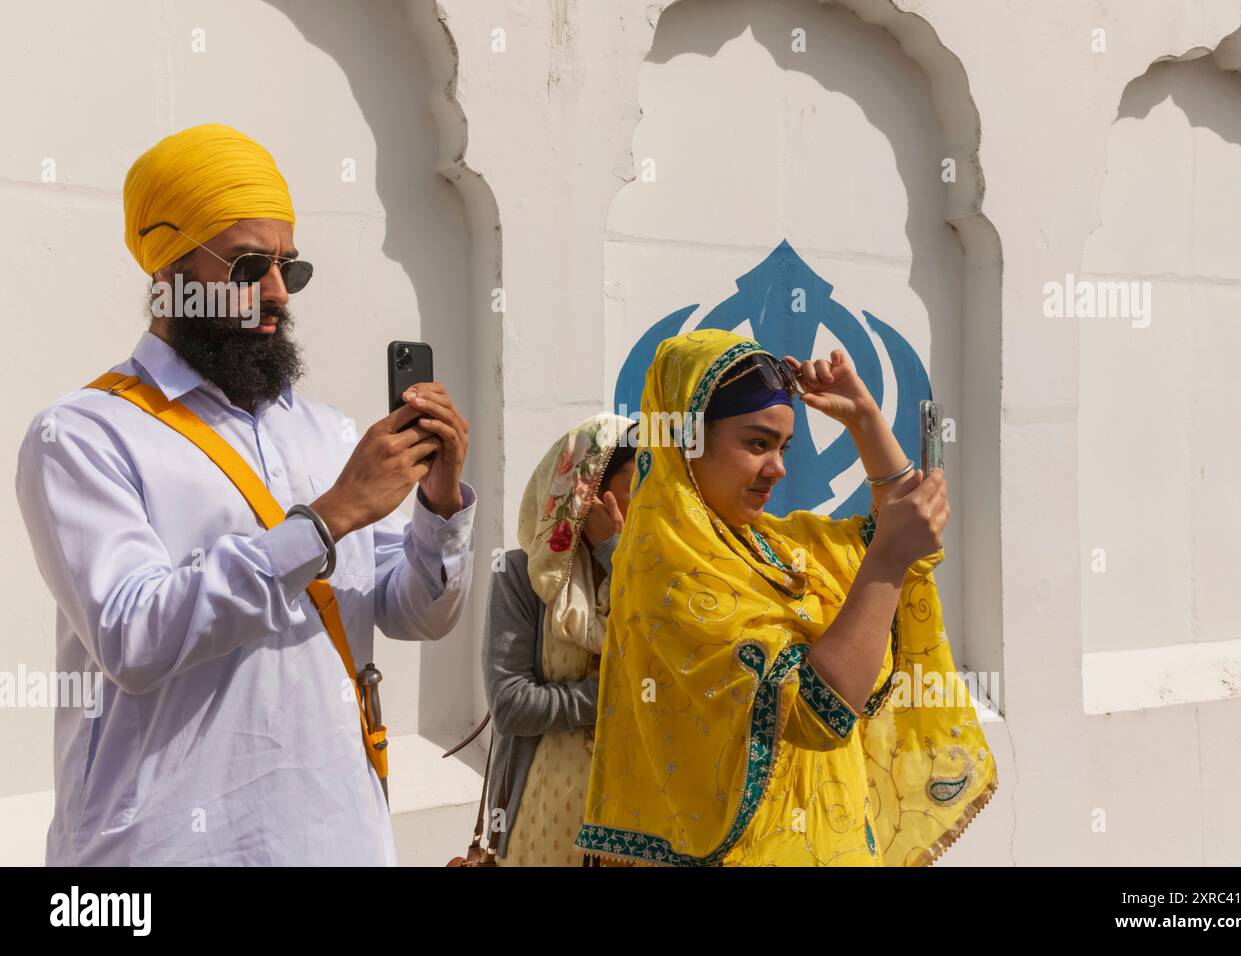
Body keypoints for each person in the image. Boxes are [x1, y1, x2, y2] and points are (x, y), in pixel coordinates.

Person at [14, 123, 476, 866]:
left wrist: (441, 506)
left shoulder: (326, 432)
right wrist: (327, 520)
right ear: (168, 271)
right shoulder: (83, 435)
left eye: (288, 268)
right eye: (248, 265)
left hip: (339, 837)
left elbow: (417, 614)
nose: (274, 294)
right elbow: (133, 639)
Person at [575, 329, 997, 866]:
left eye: (782, 447)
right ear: (687, 442)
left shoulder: (770, 544)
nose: (778, 468)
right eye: (756, 443)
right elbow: (816, 713)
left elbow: (906, 545)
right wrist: (888, 559)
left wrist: (865, 418)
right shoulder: (666, 569)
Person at [481, 413, 636, 866]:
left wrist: (620, 559)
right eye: (637, 481)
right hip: (540, 822)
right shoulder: (520, 574)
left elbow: (661, 671)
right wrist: (613, 696)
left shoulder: (654, 576)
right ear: (585, 490)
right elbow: (510, 706)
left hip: (635, 828)